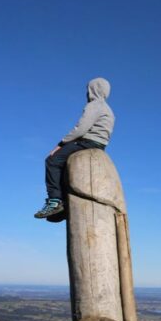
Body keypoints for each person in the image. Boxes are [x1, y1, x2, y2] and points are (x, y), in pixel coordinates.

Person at [34, 77, 115, 219]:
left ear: (93, 90)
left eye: (88, 90)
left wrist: (61, 144)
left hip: (87, 142)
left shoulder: (95, 105)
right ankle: (64, 204)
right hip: (100, 145)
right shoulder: (109, 110)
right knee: (65, 167)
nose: (86, 93)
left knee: (52, 160)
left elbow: (81, 128)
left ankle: (55, 201)